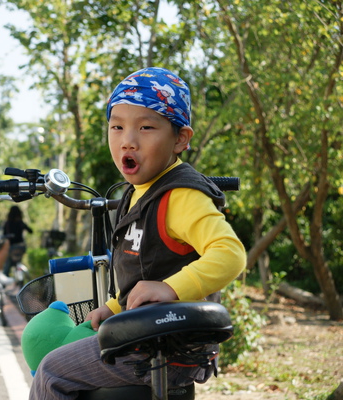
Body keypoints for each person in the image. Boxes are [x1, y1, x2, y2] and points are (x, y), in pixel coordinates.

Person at [29, 67, 246, 399]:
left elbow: (230, 254)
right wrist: (114, 308)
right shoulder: (139, 192)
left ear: (180, 139)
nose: (127, 140)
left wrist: (170, 288)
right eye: (117, 127)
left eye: (146, 127)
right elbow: (146, 273)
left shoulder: (180, 195)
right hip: (152, 339)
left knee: (51, 371)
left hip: (166, 347)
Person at [0, 205, 32, 282]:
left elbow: (4, 235)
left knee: (7, 265)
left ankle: (4, 283)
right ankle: (21, 279)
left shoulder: (7, 223)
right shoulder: (20, 222)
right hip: (21, 246)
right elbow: (30, 231)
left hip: (11, 247)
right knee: (19, 262)